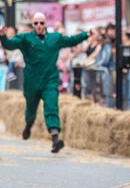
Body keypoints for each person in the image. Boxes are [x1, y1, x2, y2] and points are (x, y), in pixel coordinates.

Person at [0, 13, 89, 153]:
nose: (39, 26)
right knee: (31, 108)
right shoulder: (25, 38)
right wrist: (3, 36)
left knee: (51, 105)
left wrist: (86, 34)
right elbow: (9, 45)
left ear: (45, 23)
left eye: (41, 23)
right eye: (36, 23)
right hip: (31, 82)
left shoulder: (55, 38)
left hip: (50, 80)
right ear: (32, 24)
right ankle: (28, 124)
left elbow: (71, 40)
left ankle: (55, 138)